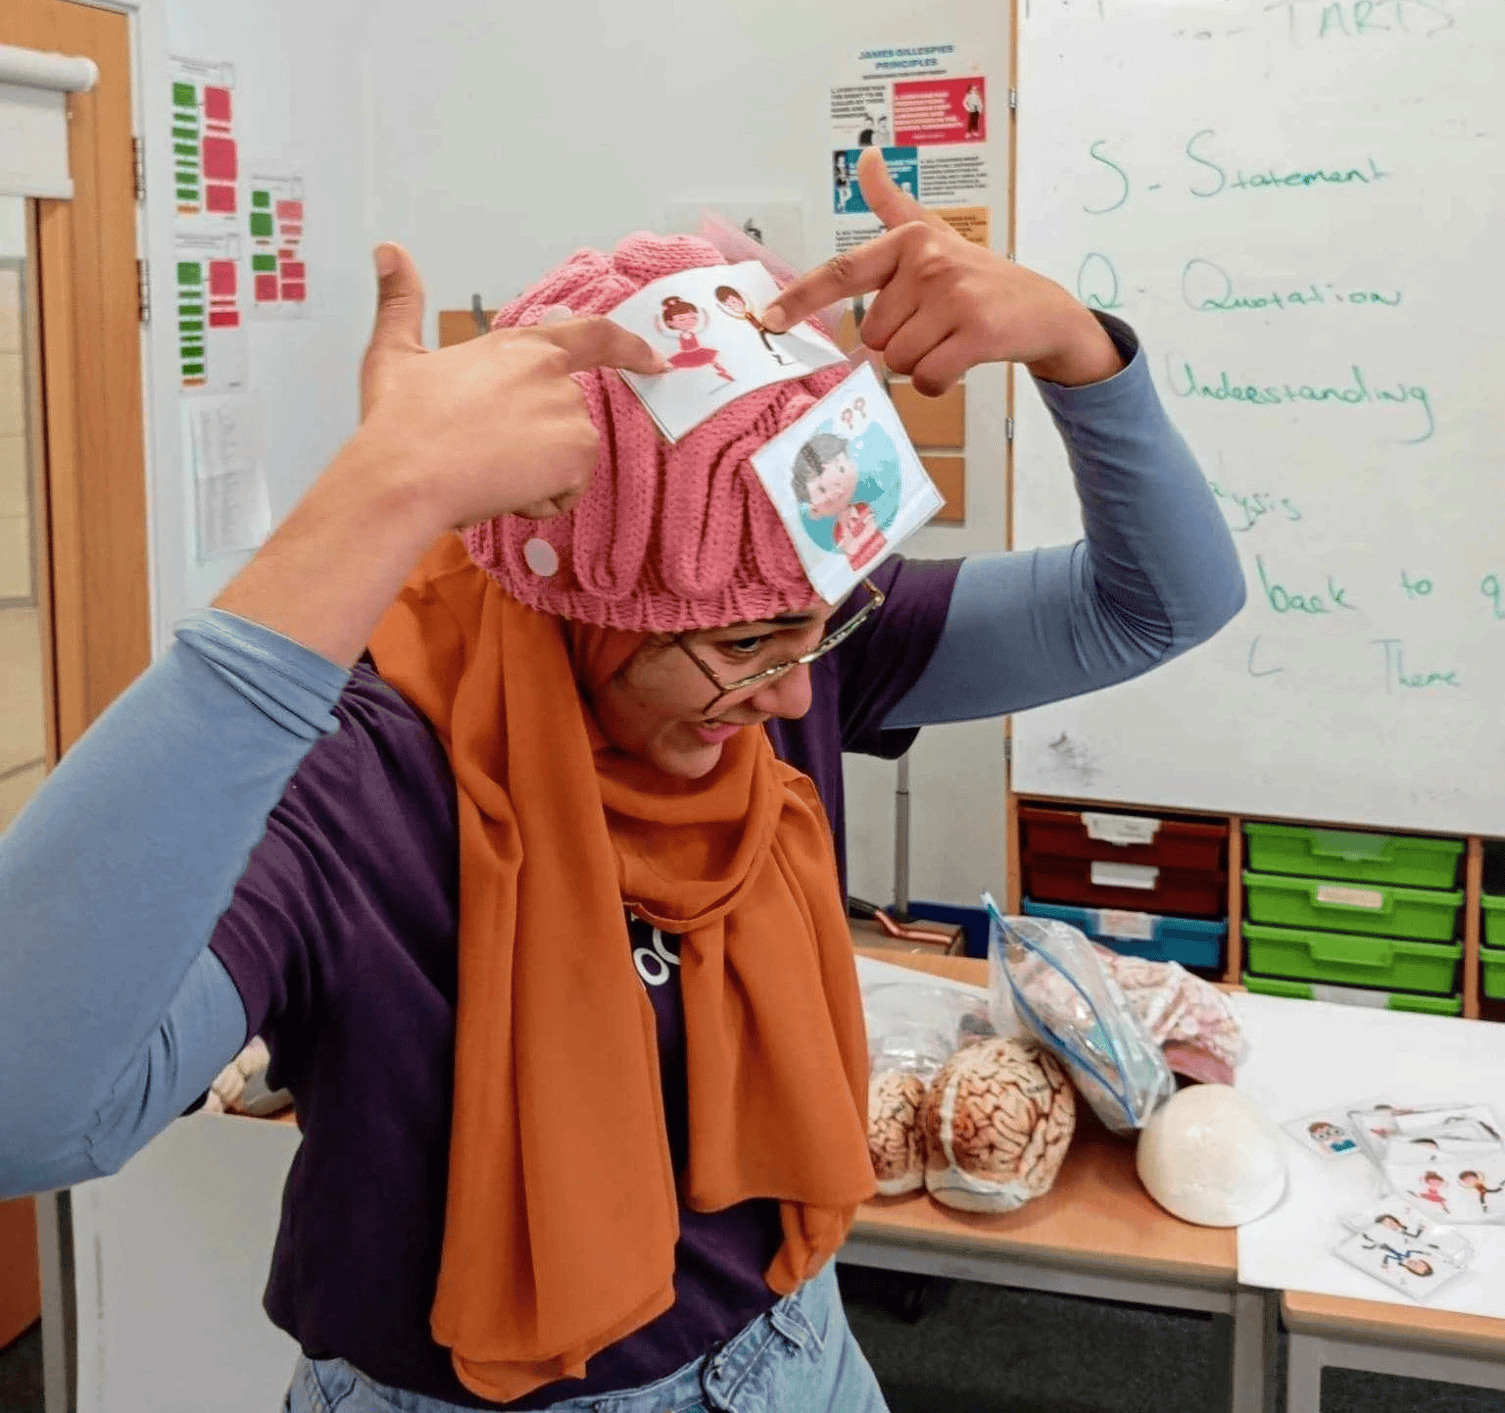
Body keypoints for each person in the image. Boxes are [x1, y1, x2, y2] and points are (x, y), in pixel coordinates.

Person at [0, 148, 1245, 1412]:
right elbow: (30, 1110)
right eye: (745, 645)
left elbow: (1156, 605)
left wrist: (1080, 352)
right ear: (588, 610)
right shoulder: (360, 775)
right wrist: (370, 504)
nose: (795, 695)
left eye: (820, 627)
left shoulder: (783, 639)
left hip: (796, 1345)